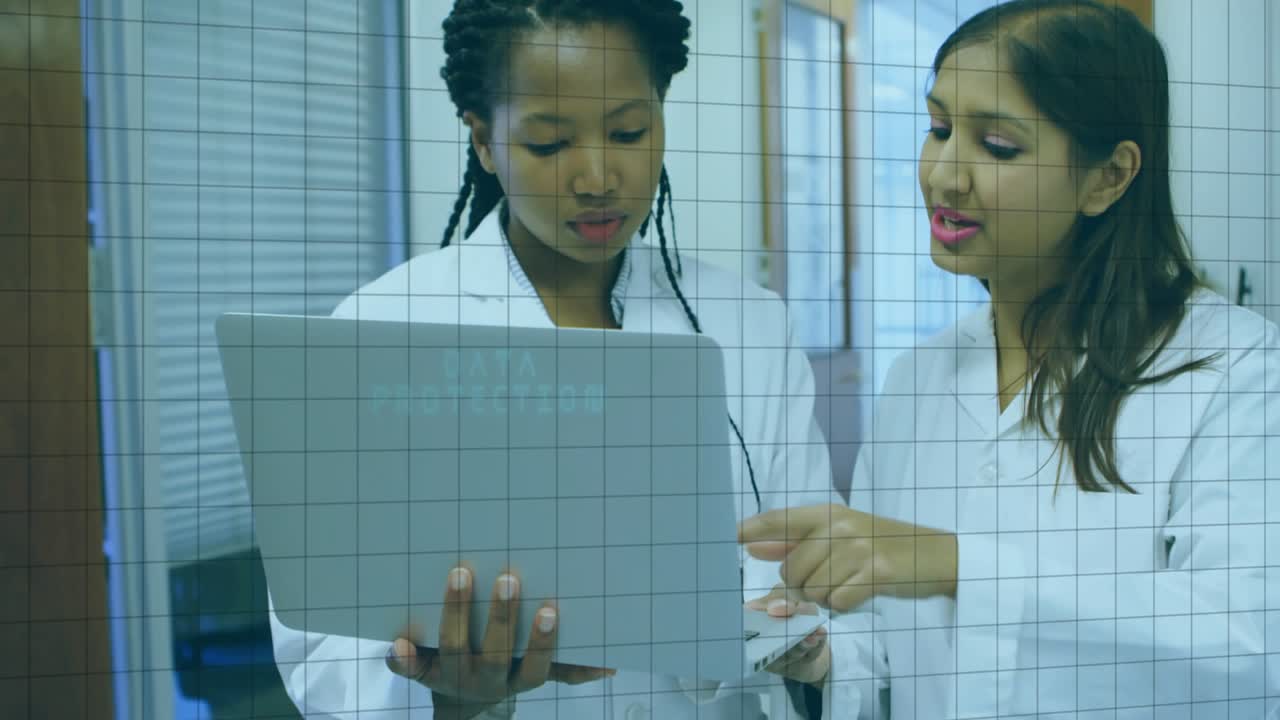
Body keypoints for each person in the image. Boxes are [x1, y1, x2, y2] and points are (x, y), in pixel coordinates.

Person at [266, 1, 856, 717]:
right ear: (484, 141)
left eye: (629, 132)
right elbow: (323, 651)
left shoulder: (750, 327)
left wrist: (800, 638)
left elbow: (824, 587)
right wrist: (452, 699)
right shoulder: (384, 327)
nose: (598, 176)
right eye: (548, 144)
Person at [739, 1, 1280, 717]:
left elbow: (1247, 643)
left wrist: (958, 567)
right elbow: (894, 645)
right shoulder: (919, 378)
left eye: (996, 146)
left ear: (1109, 177)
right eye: (938, 129)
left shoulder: (1233, 367)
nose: (944, 175)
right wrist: (823, 650)